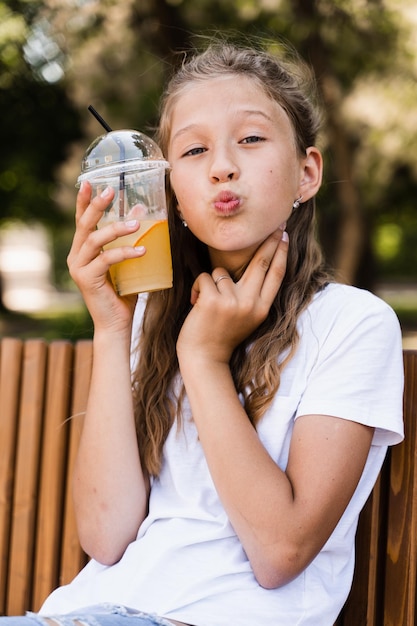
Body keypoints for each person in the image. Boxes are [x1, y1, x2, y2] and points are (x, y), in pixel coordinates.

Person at [1, 38, 403, 626]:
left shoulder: (352, 324)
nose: (222, 165)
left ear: (307, 173)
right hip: (86, 612)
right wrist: (111, 329)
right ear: (173, 195)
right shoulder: (150, 322)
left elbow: (279, 552)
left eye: (251, 139)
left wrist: (206, 362)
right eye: (193, 150)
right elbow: (106, 537)